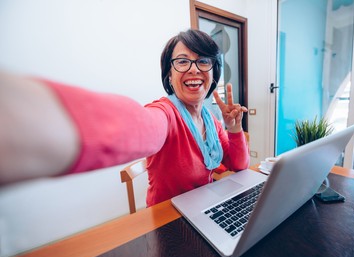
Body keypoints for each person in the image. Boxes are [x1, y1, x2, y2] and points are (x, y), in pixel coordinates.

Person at [0, 29, 249, 206]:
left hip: (203, 209)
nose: (194, 69)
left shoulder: (211, 120)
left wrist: (234, 128)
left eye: (203, 61)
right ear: (169, 75)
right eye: (182, 61)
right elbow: (140, 126)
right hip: (169, 223)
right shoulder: (165, 114)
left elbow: (238, 165)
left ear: (213, 72)